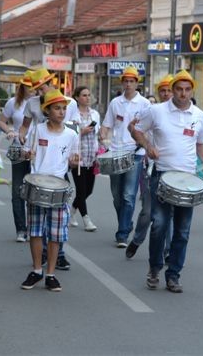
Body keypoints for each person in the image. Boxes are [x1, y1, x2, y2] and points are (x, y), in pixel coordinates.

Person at [131, 70, 203, 293]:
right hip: (162, 175)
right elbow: (135, 129)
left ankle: (173, 274)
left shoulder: (199, 115)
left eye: (187, 90)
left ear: (192, 91)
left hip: (188, 179)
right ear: (172, 89)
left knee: (183, 230)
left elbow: (201, 144)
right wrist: (149, 147)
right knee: (159, 224)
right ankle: (155, 268)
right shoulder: (156, 111)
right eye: (179, 89)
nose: (183, 94)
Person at [18, 67, 78, 269]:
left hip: (59, 159)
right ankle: (40, 257)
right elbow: (26, 126)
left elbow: (74, 127)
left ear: (50, 82)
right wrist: (23, 138)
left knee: (58, 217)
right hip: (39, 158)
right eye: (37, 88)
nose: (40, 90)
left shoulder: (69, 103)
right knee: (36, 222)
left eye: (42, 86)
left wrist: (74, 157)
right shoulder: (32, 104)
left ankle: (57, 254)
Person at [100, 66, 150, 248]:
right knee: (116, 195)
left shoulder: (145, 104)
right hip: (115, 152)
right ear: (122, 83)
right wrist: (102, 134)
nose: (128, 84)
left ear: (137, 83)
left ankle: (122, 234)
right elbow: (107, 125)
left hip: (135, 153)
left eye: (132, 81)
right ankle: (127, 223)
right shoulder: (115, 103)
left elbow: (149, 129)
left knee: (129, 195)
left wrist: (144, 146)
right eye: (126, 81)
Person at [125, 74, 173, 259]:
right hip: (151, 168)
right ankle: (137, 240)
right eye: (163, 90)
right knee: (147, 211)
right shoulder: (152, 111)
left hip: (171, 170)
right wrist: (133, 131)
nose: (166, 93)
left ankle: (168, 251)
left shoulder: (183, 115)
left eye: (169, 90)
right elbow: (135, 130)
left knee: (169, 214)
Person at [0, 70, 33, 242]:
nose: (32, 88)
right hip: (19, 149)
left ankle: (34, 227)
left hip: (38, 152)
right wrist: (10, 131)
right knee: (17, 190)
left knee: (35, 190)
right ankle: (21, 229)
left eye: (34, 84)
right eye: (28, 85)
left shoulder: (42, 102)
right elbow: (1, 121)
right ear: (22, 86)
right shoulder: (14, 103)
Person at [70, 86, 100, 231]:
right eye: (84, 95)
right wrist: (82, 131)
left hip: (91, 156)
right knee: (81, 191)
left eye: (89, 95)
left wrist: (100, 151)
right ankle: (87, 220)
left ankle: (72, 209)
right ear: (77, 97)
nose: (87, 98)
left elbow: (98, 134)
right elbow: (68, 135)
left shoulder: (95, 114)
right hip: (78, 158)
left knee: (89, 190)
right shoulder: (72, 115)